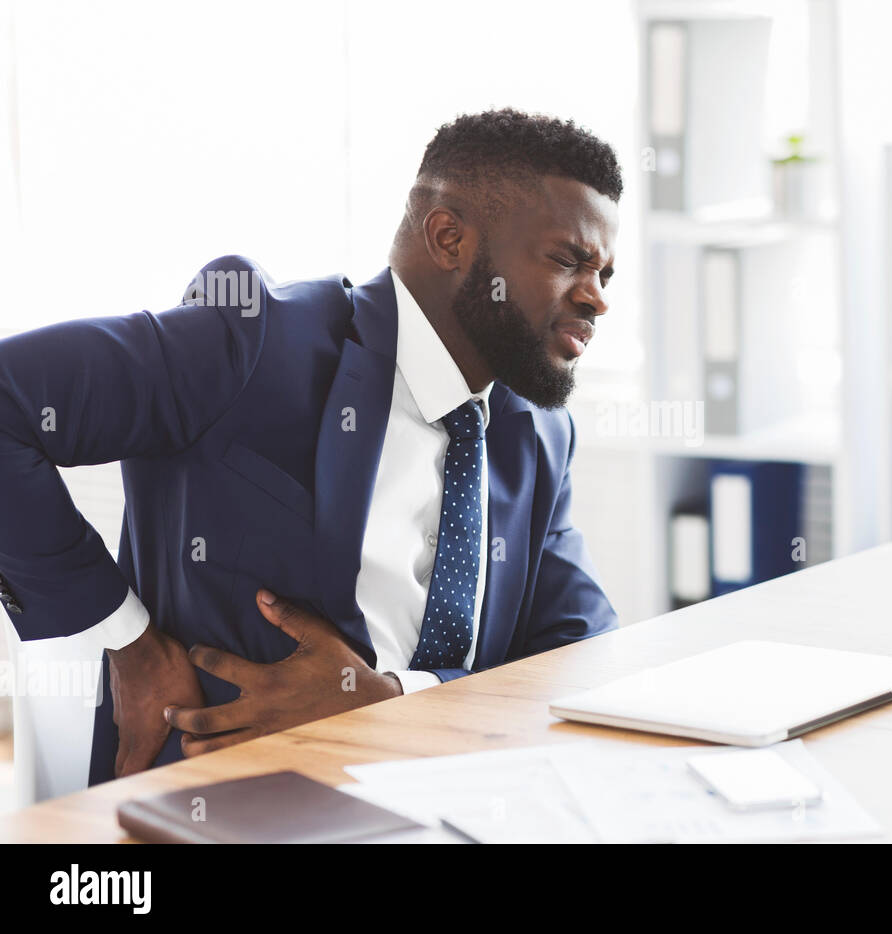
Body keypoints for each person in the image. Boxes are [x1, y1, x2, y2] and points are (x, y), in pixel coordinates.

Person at [0, 108, 621, 789]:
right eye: (568, 260)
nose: (596, 299)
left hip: (446, 795)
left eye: (607, 275)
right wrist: (129, 642)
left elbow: (578, 658)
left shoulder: (537, 432)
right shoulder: (252, 340)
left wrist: (392, 704)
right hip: (226, 804)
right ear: (449, 237)